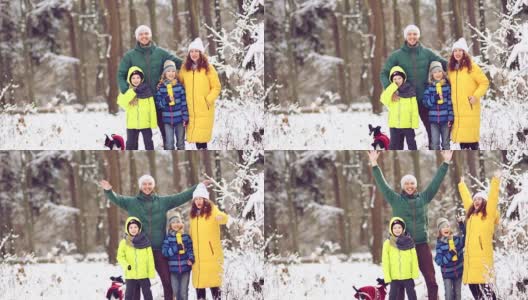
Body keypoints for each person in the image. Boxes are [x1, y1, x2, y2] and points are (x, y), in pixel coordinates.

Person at [99, 175, 211, 300]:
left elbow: (181, 197)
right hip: (139, 250)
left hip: (159, 249)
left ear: (153, 185)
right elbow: (117, 199)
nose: (147, 187)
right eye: (144, 184)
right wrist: (108, 191)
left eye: (149, 184)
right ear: (140, 186)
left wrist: (198, 186)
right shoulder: (132, 203)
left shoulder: (163, 202)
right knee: (137, 284)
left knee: (167, 282)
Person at [368, 150, 453, 300]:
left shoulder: (424, 198)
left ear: (415, 185)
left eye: (412, 183)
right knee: (401, 281)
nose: (409, 185)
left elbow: (436, 183)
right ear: (402, 186)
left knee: (431, 279)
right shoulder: (396, 200)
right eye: (406, 183)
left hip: (421, 244)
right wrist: (374, 163)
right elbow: (382, 185)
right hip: (402, 246)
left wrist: (445, 162)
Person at [380, 24, 447, 149]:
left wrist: (458, 65)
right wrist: (391, 90)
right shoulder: (397, 55)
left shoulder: (427, 53)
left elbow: (442, 63)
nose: (412, 36)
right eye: (409, 34)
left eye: (415, 34)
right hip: (404, 101)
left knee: (432, 131)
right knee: (400, 137)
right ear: (406, 37)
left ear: (418, 36)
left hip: (423, 99)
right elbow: (384, 73)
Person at [118, 25, 183, 148]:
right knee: (135, 135)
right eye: (141, 34)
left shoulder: (160, 53)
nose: (144, 36)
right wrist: (129, 93)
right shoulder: (130, 56)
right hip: (139, 101)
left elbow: (178, 63)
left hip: (159, 99)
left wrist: (194, 63)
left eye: (146, 33)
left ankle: (168, 147)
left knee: (165, 132)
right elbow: (121, 74)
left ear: (150, 35)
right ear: (137, 37)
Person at [459, 172, 501, 299]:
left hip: (483, 260)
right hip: (471, 262)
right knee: (475, 292)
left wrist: (496, 181)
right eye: (475, 199)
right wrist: (461, 185)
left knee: (488, 294)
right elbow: (467, 200)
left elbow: (493, 198)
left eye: (480, 199)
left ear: (484, 202)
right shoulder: (471, 215)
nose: (476, 201)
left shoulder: (488, 215)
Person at [179, 38, 221, 150]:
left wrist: (207, 100)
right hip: (190, 108)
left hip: (204, 108)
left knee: (202, 140)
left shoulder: (208, 68)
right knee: (196, 139)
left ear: (201, 53)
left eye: (196, 51)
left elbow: (216, 87)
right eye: (191, 51)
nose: (194, 54)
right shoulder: (184, 69)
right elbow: (178, 84)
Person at [447, 38, 490, 150]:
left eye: (460, 50)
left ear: (465, 53)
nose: (457, 53)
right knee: (463, 143)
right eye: (455, 51)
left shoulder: (472, 67)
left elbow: (484, 82)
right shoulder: (451, 70)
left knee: (472, 143)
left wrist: (476, 96)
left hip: (470, 108)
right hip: (457, 111)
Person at [190, 183, 229, 300]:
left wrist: (221, 217)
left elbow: (224, 218)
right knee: (199, 287)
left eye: (200, 198)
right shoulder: (192, 215)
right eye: (196, 199)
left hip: (211, 255)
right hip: (197, 257)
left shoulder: (212, 210)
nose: (198, 201)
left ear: (205, 199)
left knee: (214, 286)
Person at [117, 66, 157, 150]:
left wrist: (153, 123)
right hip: (132, 124)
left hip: (146, 123)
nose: (136, 80)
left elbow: (152, 109)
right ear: (129, 79)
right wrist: (133, 92)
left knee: (149, 144)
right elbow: (121, 102)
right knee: (131, 145)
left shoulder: (147, 90)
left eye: (138, 77)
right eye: (133, 78)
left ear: (141, 78)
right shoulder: (127, 91)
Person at [380, 66, 419, 150]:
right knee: (395, 146)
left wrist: (414, 123)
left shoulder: (410, 91)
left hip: (408, 125)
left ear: (403, 78)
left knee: (412, 145)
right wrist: (392, 87)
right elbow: (383, 99)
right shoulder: (390, 92)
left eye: (399, 78)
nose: (397, 80)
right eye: (394, 79)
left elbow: (414, 109)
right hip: (394, 125)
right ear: (392, 80)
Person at [117, 217, 155, 300]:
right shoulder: (124, 242)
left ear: (139, 228)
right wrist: (126, 266)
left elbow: (150, 258)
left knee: (148, 295)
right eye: (131, 227)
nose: (133, 229)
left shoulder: (145, 241)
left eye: (135, 227)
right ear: (127, 229)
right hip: (130, 274)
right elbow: (120, 257)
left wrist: (151, 272)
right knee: (129, 296)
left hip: (143, 274)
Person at [155, 60, 189, 150]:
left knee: (181, 143)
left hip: (179, 120)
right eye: (168, 71)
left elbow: (184, 103)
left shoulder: (179, 87)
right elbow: (158, 104)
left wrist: (185, 117)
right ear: (164, 73)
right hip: (167, 121)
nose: (171, 73)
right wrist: (166, 100)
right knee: (169, 144)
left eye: (173, 71)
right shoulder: (161, 88)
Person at [382, 217, 419, 300]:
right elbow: (385, 261)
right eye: (394, 228)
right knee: (393, 297)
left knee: (412, 296)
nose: (397, 230)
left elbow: (414, 259)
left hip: (408, 276)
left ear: (403, 228)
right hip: (394, 277)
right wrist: (387, 276)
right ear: (391, 229)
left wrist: (414, 273)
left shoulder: (409, 241)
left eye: (399, 227)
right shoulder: (387, 243)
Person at [162, 210, 194, 300]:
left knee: (183, 292)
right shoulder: (168, 238)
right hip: (173, 270)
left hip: (185, 269)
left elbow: (190, 250)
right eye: (173, 222)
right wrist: (176, 248)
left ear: (181, 223)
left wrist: (191, 259)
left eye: (178, 222)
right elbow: (165, 252)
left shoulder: (186, 237)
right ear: (170, 225)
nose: (176, 224)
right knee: (175, 291)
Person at [423, 61, 454, 150]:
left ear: (443, 73)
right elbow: (426, 103)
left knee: (446, 143)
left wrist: (450, 118)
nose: (437, 74)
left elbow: (450, 104)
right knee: (435, 143)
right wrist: (434, 98)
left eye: (439, 71)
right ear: (431, 75)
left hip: (445, 120)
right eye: (435, 72)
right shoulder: (429, 88)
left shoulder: (447, 87)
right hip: (433, 121)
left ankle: (446, 155)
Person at [434, 217, 466, 300]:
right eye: (443, 227)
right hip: (447, 274)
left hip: (458, 272)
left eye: (447, 226)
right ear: (440, 231)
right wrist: (450, 255)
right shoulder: (440, 244)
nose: (446, 228)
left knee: (457, 294)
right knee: (449, 295)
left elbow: (466, 239)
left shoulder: (456, 240)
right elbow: (438, 261)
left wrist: (462, 225)